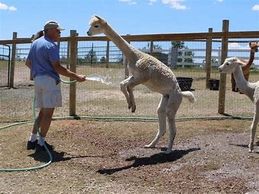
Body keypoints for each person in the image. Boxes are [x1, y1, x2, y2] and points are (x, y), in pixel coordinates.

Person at [25, 21, 86, 152]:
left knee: (42, 111)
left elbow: (28, 62)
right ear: (51, 30)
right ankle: (41, 143)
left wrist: (38, 71)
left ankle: (32, 139)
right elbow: (57, 67)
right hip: (49, 81)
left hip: (38, 80)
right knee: (48, 113)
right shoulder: (51, 45)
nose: (59, 33)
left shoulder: (35, 43)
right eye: (58, 31)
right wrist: (77, 77)